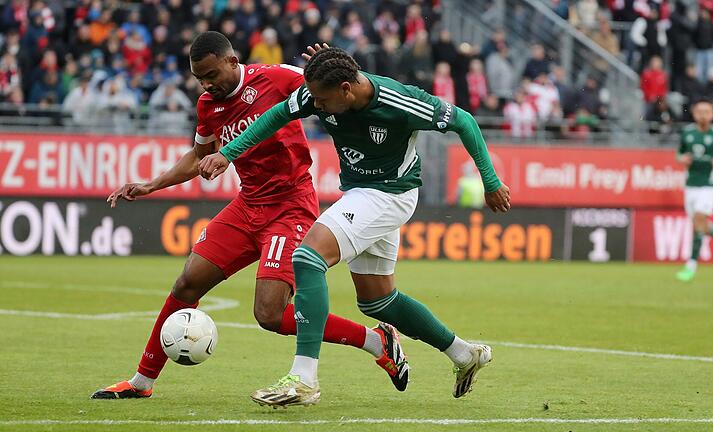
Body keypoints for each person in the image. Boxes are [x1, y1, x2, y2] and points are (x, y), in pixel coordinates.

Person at [91, 33, 406, 400]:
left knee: (270, 314)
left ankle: (374, 340)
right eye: (199, 79)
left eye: (211, 74)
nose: (206, 84)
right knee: (187, 284)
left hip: (291, 206)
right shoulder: (208, 104)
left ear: (231, 60)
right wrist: (151, 185)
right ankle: (141, 382)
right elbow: (197, 155)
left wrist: (337, 62)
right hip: (248, 205)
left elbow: (337, 88)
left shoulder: (278, 77)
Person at [200, 44, 511, 407]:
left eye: (322, 99)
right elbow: (275, 116)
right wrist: (227, 153)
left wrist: (490, 181)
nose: (314, 105)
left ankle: (304, 379)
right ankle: (463, 354)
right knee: (379, 302)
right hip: (361, 193)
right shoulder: (321, 94)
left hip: (390, 194)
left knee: (307, 258)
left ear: (346, 90)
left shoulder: (400, 101)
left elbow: (464, 121)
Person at [675, 99, 713, 282]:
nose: (703, 115)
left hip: (709, 185)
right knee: (698, 225)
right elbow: (679, 154)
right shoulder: (687, 133)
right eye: (699, 111)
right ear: (694, 113)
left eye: (706, 111)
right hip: (691, 185)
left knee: (699, 219)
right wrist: (681, 159)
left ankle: (691, 265)